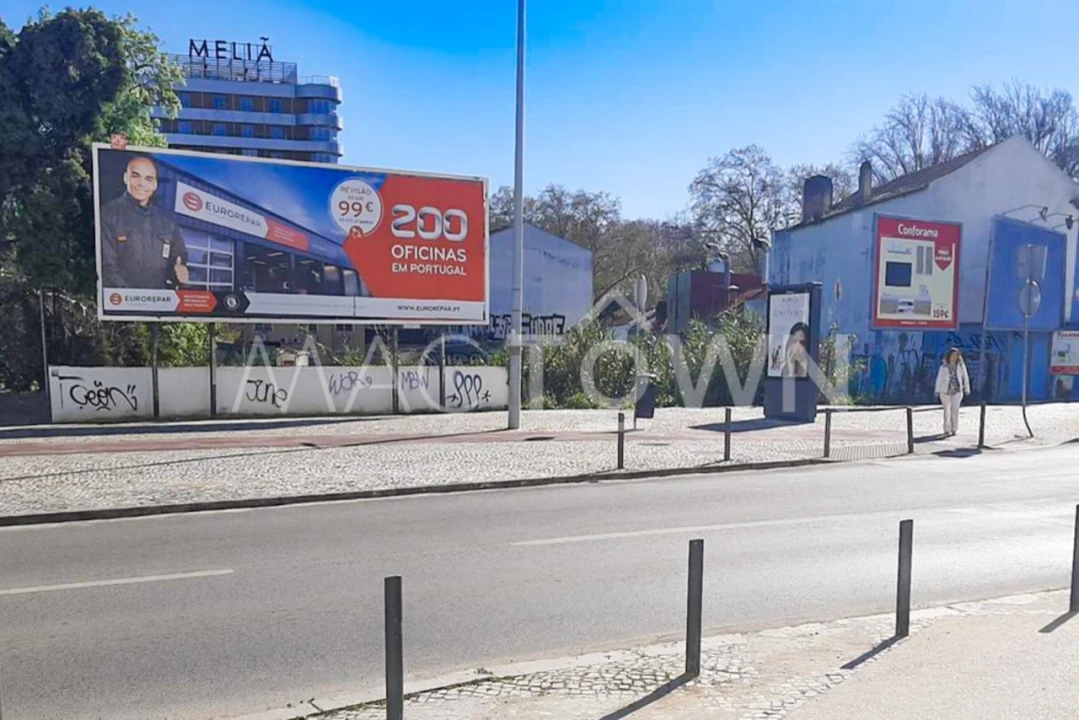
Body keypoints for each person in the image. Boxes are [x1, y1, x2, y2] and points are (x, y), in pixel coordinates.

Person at [100, 154, 190, 289]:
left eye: (148, 179)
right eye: (136, 176)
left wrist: (179, 271)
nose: (142, 183)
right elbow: (107, 267)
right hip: (121, 299)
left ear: (155, 184)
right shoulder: (108, 213)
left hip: (157, 299)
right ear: (126, 178)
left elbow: (178, 259)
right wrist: (131, 297)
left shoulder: (167, 221)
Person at [934, 348, 970, 436]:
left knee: (955, 409)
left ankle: (954, 428)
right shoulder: (944, 366)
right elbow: (939, 378)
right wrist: (937, 390)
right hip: (945, 391)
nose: (954, 357)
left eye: (956, 355)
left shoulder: (961, 366)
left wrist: (967, 388)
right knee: (946, 410)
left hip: (957, 391)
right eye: (953, 355)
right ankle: (947, 429)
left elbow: (965, 377)